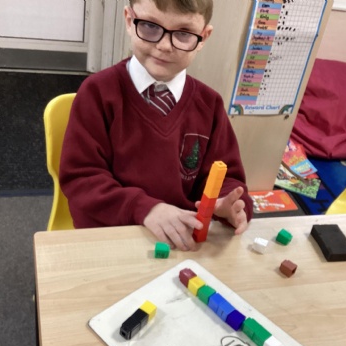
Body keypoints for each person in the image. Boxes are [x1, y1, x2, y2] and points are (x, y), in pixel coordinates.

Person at [60, 0, 253, 252]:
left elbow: (226, 177)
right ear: (130, 20)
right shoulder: (98, 93)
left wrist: (229, 205)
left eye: (183, 33)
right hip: (112, 236)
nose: (164, 46)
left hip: (181, 241)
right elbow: (82, 179)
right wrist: (145, 208)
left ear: (203, 37)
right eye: (150, 27)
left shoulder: (210, 105)